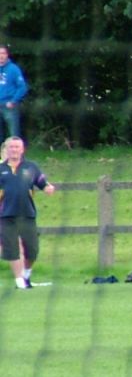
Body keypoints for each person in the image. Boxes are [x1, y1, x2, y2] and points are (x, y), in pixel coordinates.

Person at [0, 136, 55, 288]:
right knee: (12, 249)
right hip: (6, 215)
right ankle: (19, 281)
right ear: (7, 149)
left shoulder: (31, 167)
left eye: (17, 147)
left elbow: (42, 183)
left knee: (32, 250)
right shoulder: (1, 169)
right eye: (11, 147)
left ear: (22, 149)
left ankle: (26, 276)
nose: (14, 150)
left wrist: (48, 188)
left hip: (27, 214)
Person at [0, 45, 29, 139]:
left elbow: (22, 87)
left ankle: (18, 153)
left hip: (9, 105)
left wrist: (13, 101)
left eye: (3, 53)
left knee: (14, 135)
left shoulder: (13, 69)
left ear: (7, 55)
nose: (1, 56)